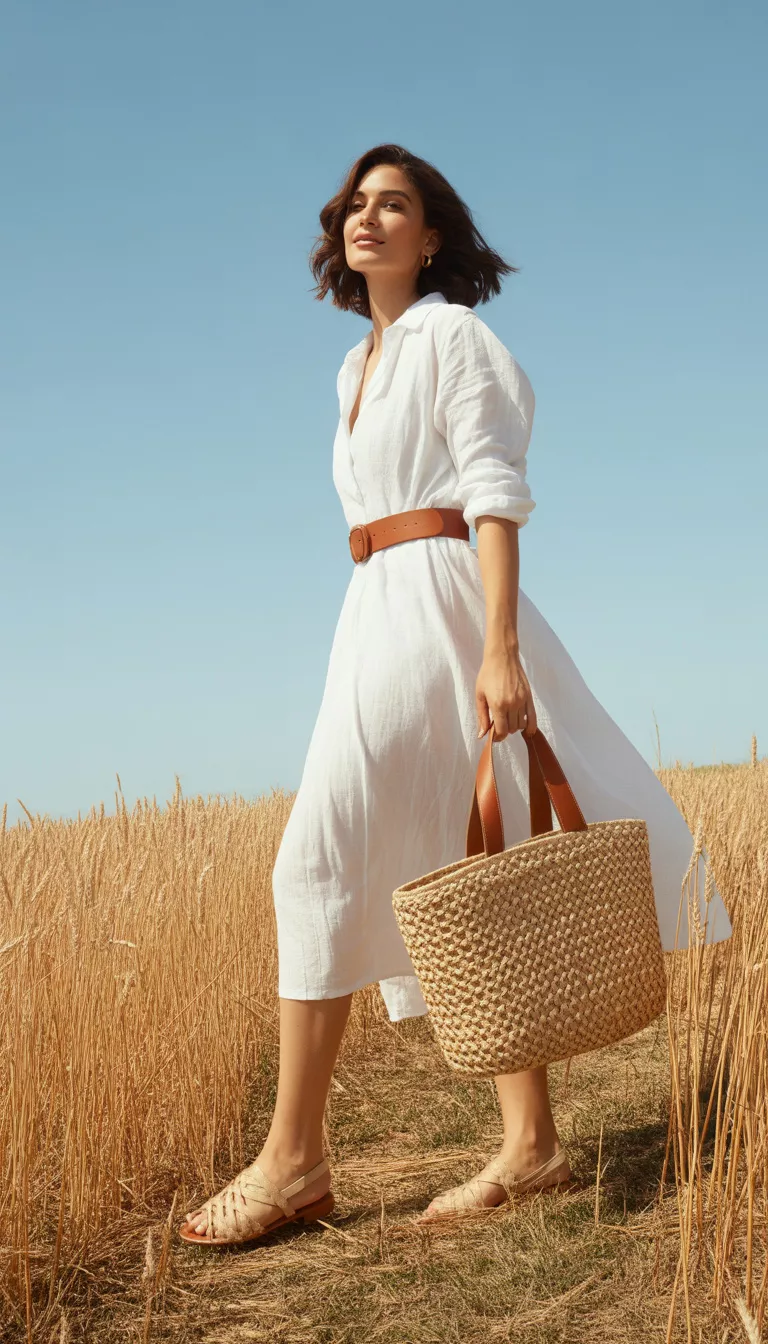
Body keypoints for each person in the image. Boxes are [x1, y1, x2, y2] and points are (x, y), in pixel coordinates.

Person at [178, 144, 732, 1246]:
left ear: (433, 237)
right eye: (355, 206)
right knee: (456, 855)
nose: (367, 219)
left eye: (395, 206)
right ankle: (531, 1146)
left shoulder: (451, 335)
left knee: (316, 858)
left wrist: (498, 648)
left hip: (440, 602)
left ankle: (294, 1161)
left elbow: (493, 494)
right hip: (372, 607)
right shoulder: (355, 367)